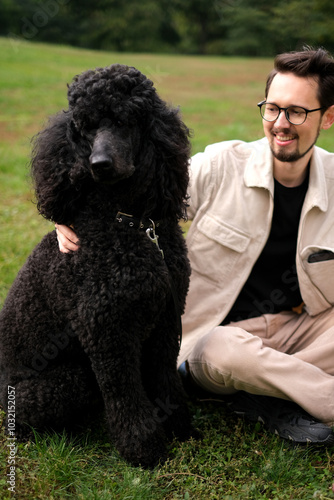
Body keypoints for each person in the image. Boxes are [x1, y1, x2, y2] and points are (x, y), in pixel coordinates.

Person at [56, 47, 334, 445]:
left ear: (327, 116)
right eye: (271, 109)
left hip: (300, 327)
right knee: (226, 352)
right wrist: (65, 216)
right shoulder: (221, 165)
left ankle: (266, 389)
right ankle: (315, 394)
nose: (280, 124)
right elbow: (138, 196)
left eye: (297, 112)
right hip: (214, 338)